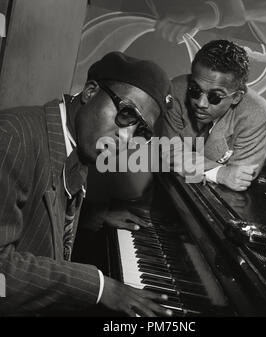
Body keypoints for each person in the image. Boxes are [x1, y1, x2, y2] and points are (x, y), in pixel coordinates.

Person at [0, 51, 174, 316]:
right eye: (126, 113)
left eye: (140, 131)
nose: (127, 138)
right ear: (91, 91)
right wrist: (100, 287)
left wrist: (95, 217)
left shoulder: (78, 143)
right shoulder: (12, 137)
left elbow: (42, 213)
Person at [161, 39, 266, 191]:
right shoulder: (176, 90)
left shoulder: (258, 115)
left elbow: (239, 178)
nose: (201, 103)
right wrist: (219, 173)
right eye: (195, 90)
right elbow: (168, 152)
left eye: (215, 97)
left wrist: (191, 163)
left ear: (237, 97)